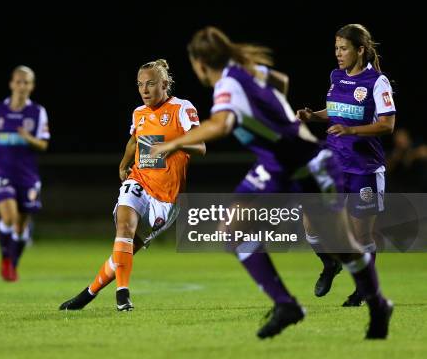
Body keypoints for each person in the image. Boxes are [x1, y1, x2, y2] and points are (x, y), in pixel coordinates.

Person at [151, 26, 393, 339]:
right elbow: (282, 82)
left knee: (343, 245)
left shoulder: (228, 83)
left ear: (199, 63)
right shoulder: (252, 70)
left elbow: (221, 124)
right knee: (233, 228)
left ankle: (375, 304)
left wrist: (172, 144)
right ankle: (287, 305)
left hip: (304, 163)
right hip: (280, 162)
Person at [59, 59, 205, 311]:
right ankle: (122, 295)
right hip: (139, 180)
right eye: (140, 85)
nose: (144, 90)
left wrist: (173, 145)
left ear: (165, 83)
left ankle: (89, 292)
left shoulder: (182, 108)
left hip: (166, 199)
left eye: (150, 84)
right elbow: (134, 140)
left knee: (126, 250)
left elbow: (200, 146)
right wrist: (123, 163)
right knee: (124, 228)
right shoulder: (138, 113)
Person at [296, 24, 396, 306]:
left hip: (364, 169)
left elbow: (387, 125)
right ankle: (329, 264)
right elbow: (336, 110)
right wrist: (313, 116)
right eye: (336, 49)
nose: (338, 54)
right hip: (334, 164)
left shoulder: (378, 82)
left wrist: (352, 131)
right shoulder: (336, 76)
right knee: (310, 221)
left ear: (360, 50)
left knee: (360, 236)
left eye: (344, 48)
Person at [0, 65, 50, 281]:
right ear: (11, 84)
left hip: (27, 175)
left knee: (21, 225)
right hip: (1, 172)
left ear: (32, 86)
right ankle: (5, 259)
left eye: (26, 82)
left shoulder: (37, 112)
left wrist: (28, 138)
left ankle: (13, 263)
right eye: (18, 81)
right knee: (9, 218)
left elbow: (43, 144)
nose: (21, 86)